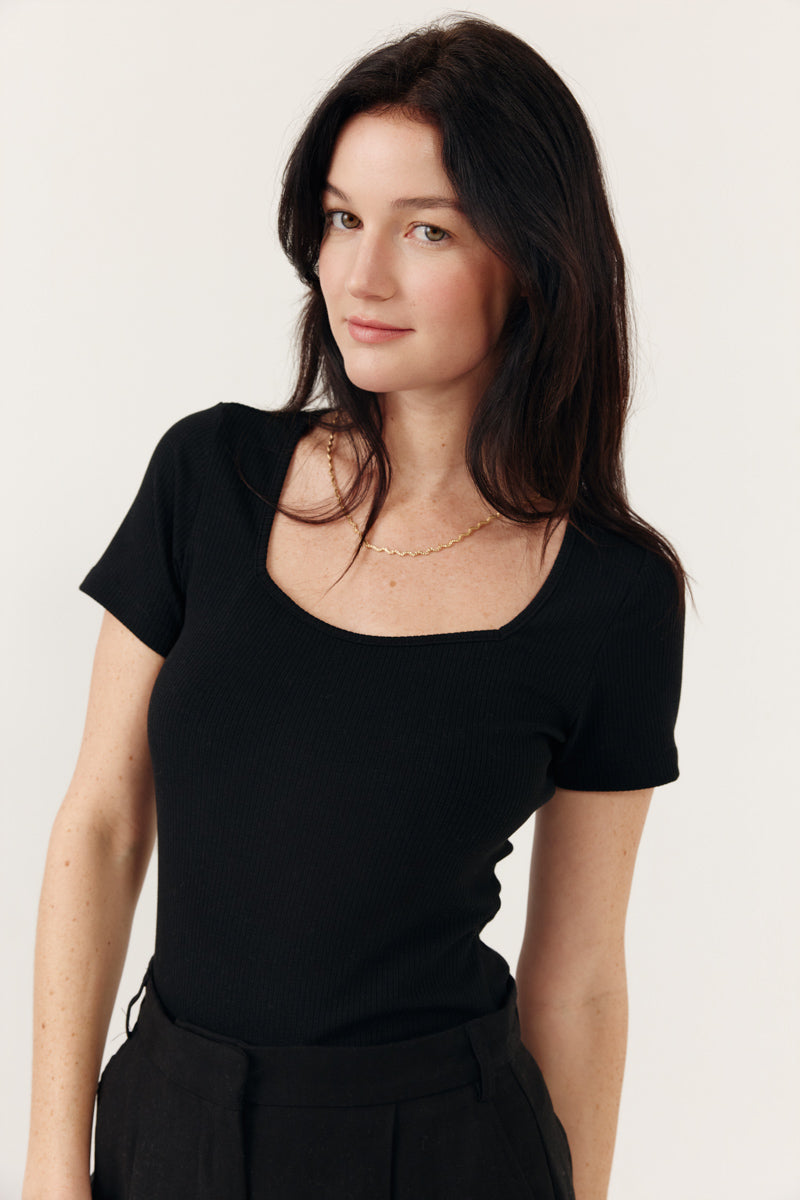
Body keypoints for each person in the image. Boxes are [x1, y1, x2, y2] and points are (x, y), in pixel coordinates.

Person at [22, 14, 689, 1200]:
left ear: (534, 257)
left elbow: (580, 974)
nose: (359, 276)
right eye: (340, 218)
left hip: (445, 1147)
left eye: (424, 228)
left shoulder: (611, 593)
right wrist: (46, 1159)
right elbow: (103, 824)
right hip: (171, 1124)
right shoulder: (207, 480)